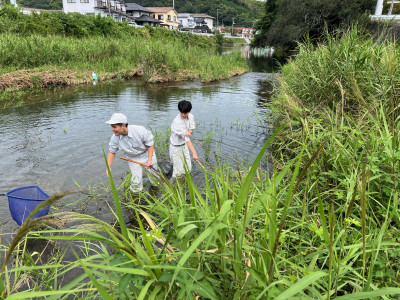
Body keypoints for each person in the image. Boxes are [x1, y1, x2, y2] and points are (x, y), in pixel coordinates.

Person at [105, 113, 158, 192]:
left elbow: (150, 145)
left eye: (114, 127)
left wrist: (150, 160)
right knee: (136, 183)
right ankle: (135, 200)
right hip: (132, 158)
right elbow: (112, 152)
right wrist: (108, 167)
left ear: (123, 126)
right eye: (111, 127)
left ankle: (156, 192)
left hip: (147, 154)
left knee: (155, 179)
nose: (112, 129)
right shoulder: (115, 138)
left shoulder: (140, 130)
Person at [169, 100, 198, 179]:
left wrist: (189, 132)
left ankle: (185, 186)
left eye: (185, 113)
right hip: (176, 147)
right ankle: (174, 188)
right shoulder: (177, 122)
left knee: (188, 169)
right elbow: (187, 139)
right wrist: (194, 153)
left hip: (184, 146)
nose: (183, 115)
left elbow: (191, 128)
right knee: (178, 173)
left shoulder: (191, 116)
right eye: (181, 112)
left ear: (189, 111)